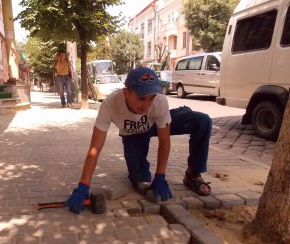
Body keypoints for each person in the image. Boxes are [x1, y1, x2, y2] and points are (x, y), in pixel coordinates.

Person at [66, 67, 212, 214]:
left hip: (156, 123)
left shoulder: (159, 101)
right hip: (134, 134)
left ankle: (193, 174)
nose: (147, 105)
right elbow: (95, 148)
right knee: (140, 178)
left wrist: (160, 176)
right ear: (126, 93)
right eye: (141, 98)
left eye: (151, 98)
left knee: (202, 121)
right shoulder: (109, 105)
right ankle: (139, 172)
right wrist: (83, 185)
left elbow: (164, 141)